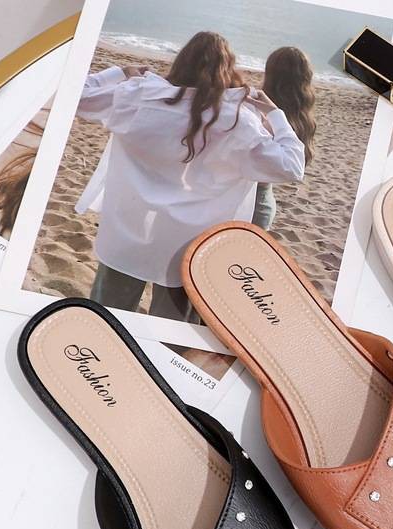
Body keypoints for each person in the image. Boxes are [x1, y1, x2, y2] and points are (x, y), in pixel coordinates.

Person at [75, 31, 305, 321]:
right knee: (169, 330)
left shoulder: (140, 96)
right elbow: (292, 166)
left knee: (107, 318)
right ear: (227, 69)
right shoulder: (238, 121)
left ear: (181, 61)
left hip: (131, 230)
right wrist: (274, 114)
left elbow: (76, 94)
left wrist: (120, 72)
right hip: (187, 243)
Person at [252, 46, 317, 230]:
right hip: (263, 202)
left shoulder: (263, 111)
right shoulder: (300, 117)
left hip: (251, 203)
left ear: (270, 74)